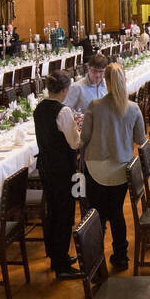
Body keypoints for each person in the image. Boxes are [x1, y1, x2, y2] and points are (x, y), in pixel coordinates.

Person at [80, 63, 145, 271]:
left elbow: (84, 138)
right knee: (117, 213)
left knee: (97, 215)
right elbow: (140, 139)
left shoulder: (94, 106)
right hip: (120, 168)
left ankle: (96, 260)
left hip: (95, 167)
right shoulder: (133, 108)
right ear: (123, 80)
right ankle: (121, 257)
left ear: (105, 82)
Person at [34, 70, 84, 280]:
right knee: (64, 214)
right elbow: (75, 143)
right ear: (65, 90)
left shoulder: (39, 108)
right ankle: (62, 264)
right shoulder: (62, 111)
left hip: (46, 166)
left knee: (53, 213)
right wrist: (79, 127)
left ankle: (56, 257)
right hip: (63, 169)